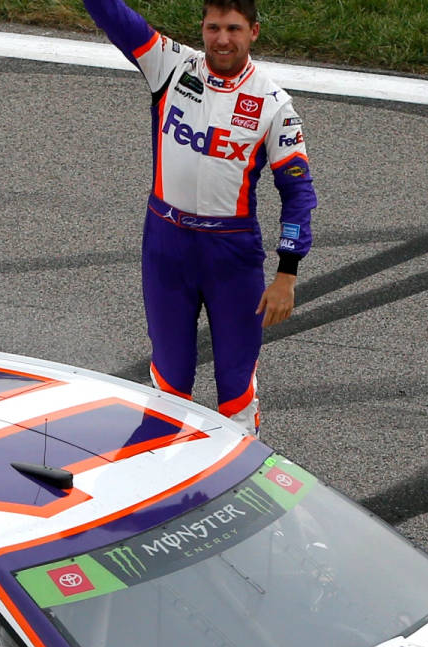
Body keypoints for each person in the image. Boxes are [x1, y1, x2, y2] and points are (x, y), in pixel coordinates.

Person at [82, 0, 316, 433]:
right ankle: (157, 483)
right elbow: (115, 17)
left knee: (236, 391)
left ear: (254, 33)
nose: (222, 39)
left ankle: (241, 489)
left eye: (233, 28)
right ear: (202, 29)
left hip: (231, 256)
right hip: (166, 246)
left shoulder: (274, 104)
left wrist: (287, 273)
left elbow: (298, 192)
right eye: (213, 28)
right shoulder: (170, 65)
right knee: (168, 388)